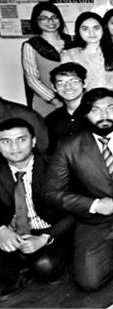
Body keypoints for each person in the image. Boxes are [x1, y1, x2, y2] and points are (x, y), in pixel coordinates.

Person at [45, 88, 113, 291]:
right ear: (85, 113)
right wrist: (93, 205)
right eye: (95, 110)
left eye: (110, 108)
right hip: (93, 223)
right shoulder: (69, 146)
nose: (104, 115)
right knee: (89, 283)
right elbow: (51, 192)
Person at [0, 118, 72, 296]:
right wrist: (1, 229)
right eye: (6, 141)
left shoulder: (56, 166)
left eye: (21, 139)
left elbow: (74, 213)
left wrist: (45, 238)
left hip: (49, 231)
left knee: (45, 266)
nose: (14, 147)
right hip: (12, 233)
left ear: (33, 141)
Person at [22, 2, 71, 116]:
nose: (51, 22)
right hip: (45, 103)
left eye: (54, 17)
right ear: (36, 21)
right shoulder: (31, 45)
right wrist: (56, 102)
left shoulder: (72, 42)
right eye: (44, 18)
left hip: (73, 100)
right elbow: (32, 80)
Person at [61, 12, 113, 95]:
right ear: (78, 31)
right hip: (84, 100)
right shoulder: (69, 55)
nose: (91, 33)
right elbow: (68, 84)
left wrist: (106, 97)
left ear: (103, 29)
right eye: (85, 29)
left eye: (96, 28)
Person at [45, 63, 90, 149]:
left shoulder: (96, 111)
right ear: (54, 87)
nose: (68, 87)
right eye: (61, 83)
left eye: (74, 82)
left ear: (85, 83)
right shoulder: (51, 120)